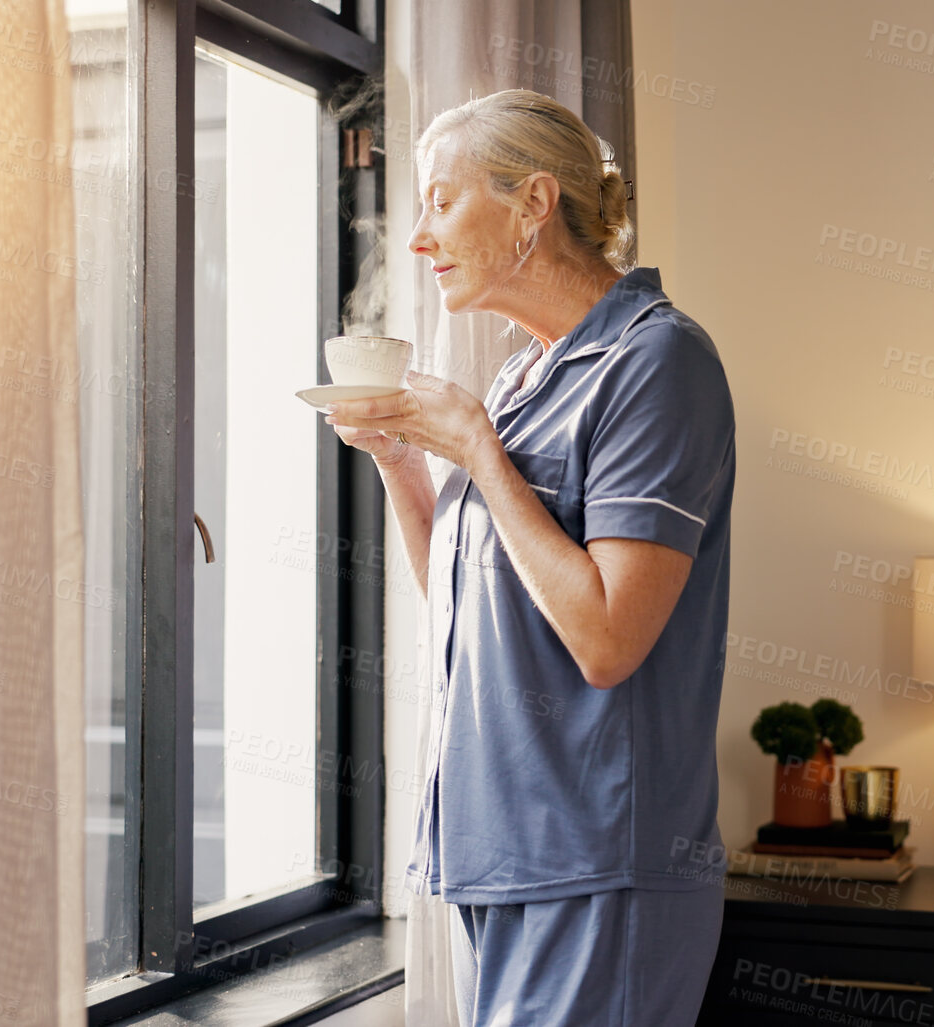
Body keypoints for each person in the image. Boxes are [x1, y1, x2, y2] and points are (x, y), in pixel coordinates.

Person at [323, 88, 736, 1027]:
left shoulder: (656, 363)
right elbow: (466, 608)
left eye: (439, 200)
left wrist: (474, 447)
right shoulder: (521, 375)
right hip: (503, 852)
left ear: (532, 203)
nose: (419, 238)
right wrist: (401, 462)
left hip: (600, 859)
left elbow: (605, 639)